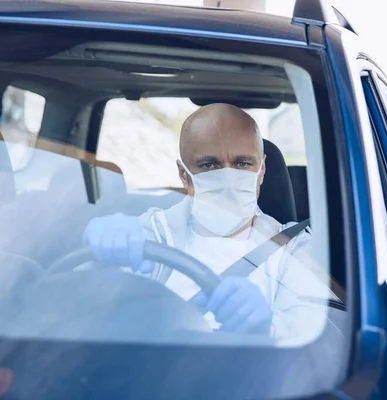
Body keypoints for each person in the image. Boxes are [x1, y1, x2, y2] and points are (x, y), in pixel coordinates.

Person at [83, 103, 334, 342]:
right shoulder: (155, 232)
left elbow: (326, 339)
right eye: (209, 164)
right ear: (184, 174)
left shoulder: (295, 248)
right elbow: (90, 312)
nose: (227, 177)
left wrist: (268, 327)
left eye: (242, 163)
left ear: (262, 169)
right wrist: (103, 253)